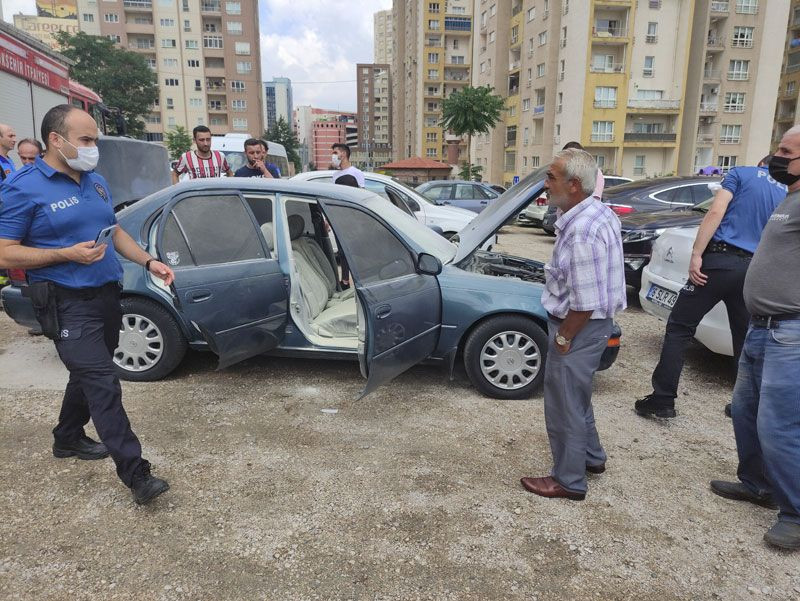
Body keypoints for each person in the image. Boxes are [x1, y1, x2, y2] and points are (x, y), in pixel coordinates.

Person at [0, 105, 175, 505]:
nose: (93, 147)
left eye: (94, 139)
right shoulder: (22, 186)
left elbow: (114, 233)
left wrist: (149, 260)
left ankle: (67, 438)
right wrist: (65, 254)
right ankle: (137, 475)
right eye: (86, 140)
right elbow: (5, 253)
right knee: (103, 383)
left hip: (106, 294)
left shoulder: (94, 181)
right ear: (56, 140)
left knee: (86, 372)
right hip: (64, 301)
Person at [634, 156, 786, 419]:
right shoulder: (786, 190)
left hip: (717, 264)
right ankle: (745, 405)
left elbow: (716, 211)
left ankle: (663, 399)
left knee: (680, 327)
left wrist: (696, 254)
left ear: (761, 164)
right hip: (752, 270)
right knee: (744, 338)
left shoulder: (740, 173)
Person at [710, 126, 800, 551]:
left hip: (790, 331)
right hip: (761, 327)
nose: (775, 157)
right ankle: (757, 484)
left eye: (786, 151)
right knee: (745, 410)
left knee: (778, 424)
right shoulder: (790, 199)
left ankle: (795, 512)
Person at [520, 149, 626, 501]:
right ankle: (592, 458)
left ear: (575, 185)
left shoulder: (581, 230)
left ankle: (568, 480)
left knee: (564, 404)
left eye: (551, 177)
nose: (545, 184)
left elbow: (585, 302)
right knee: (577, 397)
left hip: (578, 327)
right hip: (592, 326)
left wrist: (564, 338)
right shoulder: (597, 212)